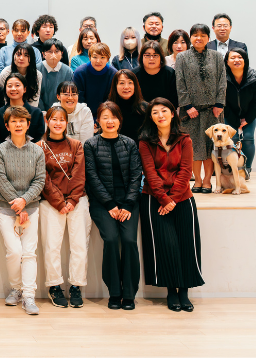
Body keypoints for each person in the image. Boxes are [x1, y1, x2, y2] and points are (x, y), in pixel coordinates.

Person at [137, 98, 205, 311]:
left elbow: (186, 171)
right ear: (150, 117)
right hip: (154, 198)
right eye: (155, 112)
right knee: (166, 245)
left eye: (164, 111)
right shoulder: (145, 141)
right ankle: (171, 293)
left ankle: (184, 292)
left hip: (183, 198)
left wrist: (173, 198)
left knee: (186, 244)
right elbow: (149, 173)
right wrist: (164, 198)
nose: (160, 115)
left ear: (173, 113)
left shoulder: (185, 139)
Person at [84, 101, 143, 310]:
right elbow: (91, 177)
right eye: (105, 117)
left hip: (128, 202)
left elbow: (136, 175)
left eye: (114, 117)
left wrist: (127, 204)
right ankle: (114, 292)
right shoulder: (90, 144)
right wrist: (109, 204)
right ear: (98, 121)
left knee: (129, 241)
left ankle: (129, 293)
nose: (110, 121)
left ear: (120, 120)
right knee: (110, 239)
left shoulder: (129, 143)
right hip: (103, 203)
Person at [0, 105, 46, 315]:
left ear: (28, 124)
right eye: (14, 121)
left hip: (30, 207)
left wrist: (24, 201)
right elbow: (0, 179)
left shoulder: (37, 150)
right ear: (7, 126)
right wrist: (16, 202)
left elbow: (40, 180)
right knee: (14, 251)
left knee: (29, 252)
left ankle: (29, 295)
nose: (18, 124)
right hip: (4, 206)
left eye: (22, 121)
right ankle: (16, 288)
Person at [37, 106, 89, 309]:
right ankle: (54, 286)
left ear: (66, 123)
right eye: (54, 119)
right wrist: (59, 202)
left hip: (77, 200)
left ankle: (76, 286)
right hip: (51, 202)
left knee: (79, 245)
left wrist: (72, 200)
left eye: (61, 120)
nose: (58, 123)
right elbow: (43, 178)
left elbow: (79, 174)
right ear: (47, 121)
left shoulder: (76, 145)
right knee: (52, 246)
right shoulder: (39, 146)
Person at [176, 24, 228, 194]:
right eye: (195, 35)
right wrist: (187, 106)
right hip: (190, 112)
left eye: (203, 35)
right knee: (193, 147)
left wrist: (219, 104)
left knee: (210, 147)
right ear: (190, 38)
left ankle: (207, 181)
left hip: (213, 110)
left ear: (208, 38)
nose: (199, 38)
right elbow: (180, 83)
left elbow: (222, 81)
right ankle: (197, 180)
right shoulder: (182, 57)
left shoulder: (217, 56)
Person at [0, 74, 46, 148]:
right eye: (9, 86)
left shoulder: (36, 113)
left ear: (25, 89)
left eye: (17, 85)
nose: (13, 89)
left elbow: (39, 139)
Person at [224, 48, 256, 177]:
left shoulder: (253, 77)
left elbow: (255, 102)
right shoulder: (222, 78)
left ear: (245, 60)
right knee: (233, 138)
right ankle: (234, 168)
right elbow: (222, 101)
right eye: (232, 58)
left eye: (240, 57)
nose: (236, 60)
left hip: (250, 113)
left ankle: (246, 169)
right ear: (227, 62)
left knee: (248, 138)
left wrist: (247, 119)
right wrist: (235, 121)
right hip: (229, 113)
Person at [73, 42, 116, 115]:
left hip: (106, 114)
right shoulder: (80, 72)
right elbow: (78, 99)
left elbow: (112, 100)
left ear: (108, 59)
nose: (98, 61)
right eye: (95, 57)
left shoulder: (113, 74)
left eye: (102, 57)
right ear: (89, 58)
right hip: (83, 114)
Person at [135, 42, 179, 110]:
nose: (151, 58)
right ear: (141, 57)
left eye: (155, 55)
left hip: (164, 113)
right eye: (147, 55)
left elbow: (174, 100)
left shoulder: (170, 73)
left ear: (161, 57)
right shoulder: (134, 74)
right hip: (140, 113)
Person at [108, 69, 148, 140]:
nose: (126, 87)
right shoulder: (108, 108)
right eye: (122, 83)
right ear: (115, 86)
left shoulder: (145, 108)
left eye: (130, 82)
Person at [38, 39, 75, 110]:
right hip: (40, 111)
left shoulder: (67, 71)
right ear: (43, 54)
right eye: (50, 51)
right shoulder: (37, 69)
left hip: (61, 110)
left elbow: (68, 94)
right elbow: (35, 95)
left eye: (57, 51)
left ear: (61, 54)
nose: (53, 55)